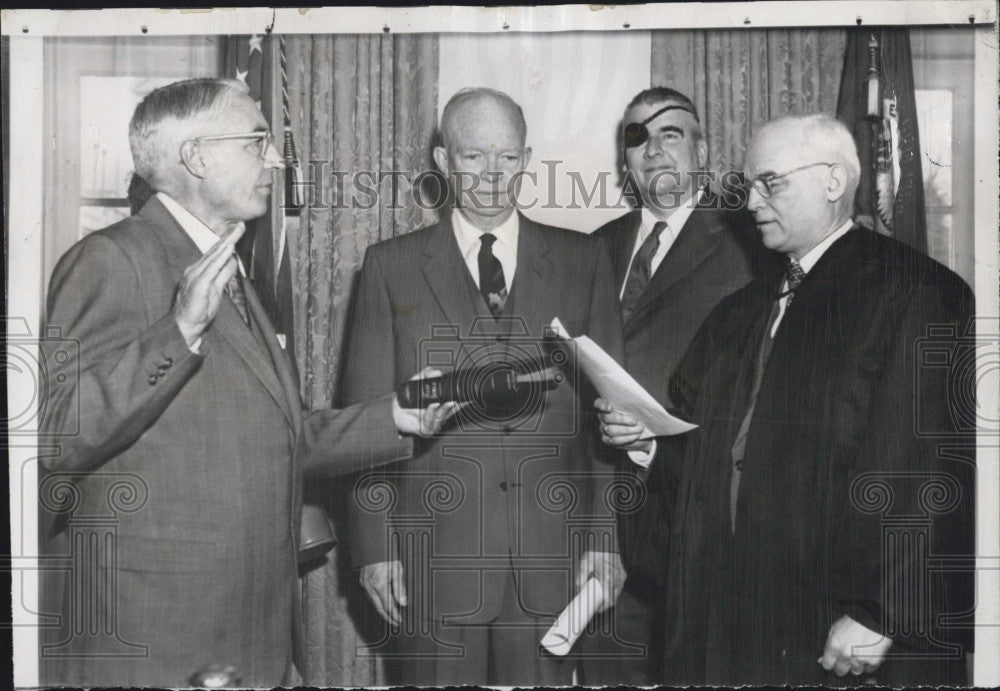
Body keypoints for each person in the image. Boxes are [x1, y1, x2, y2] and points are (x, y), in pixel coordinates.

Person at [39, 77, 456, 687]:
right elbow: (55, 436)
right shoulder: (111, 259)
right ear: (196, 158)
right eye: (257, 141)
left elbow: (278, 433)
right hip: (155, 633)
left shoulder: (228, 266)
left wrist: (396, 415)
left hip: (248, 628)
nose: (276, 159)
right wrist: (177, 332)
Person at [598, 113, 975, 685]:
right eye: (748, 184)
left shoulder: (917, 291)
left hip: (841, 616)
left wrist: (882, 613)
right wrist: (650, 443)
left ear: (832, 182)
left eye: (769, 182)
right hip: (739, 612)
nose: (750, 202)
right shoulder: (740, 311)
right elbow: (705, 444)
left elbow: (925, 468)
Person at [340, 87, 627, 686]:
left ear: (526, 158)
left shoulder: (585, 260)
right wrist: (374, 547)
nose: (492, 175)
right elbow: (364, 422)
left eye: (506, 157)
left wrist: (606, 538)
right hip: (432, 564)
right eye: (473, 157)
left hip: (555, 561)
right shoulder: (389, 267)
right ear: (443, 161)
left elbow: (611, 415)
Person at [580, 86, 764, 685]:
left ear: (703, 150)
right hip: (599, 522)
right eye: (638, 137)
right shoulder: (592, 249)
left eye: (671, 134)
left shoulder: (751, 244)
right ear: (625, 160)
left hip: (699, 523)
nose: (653, 150)